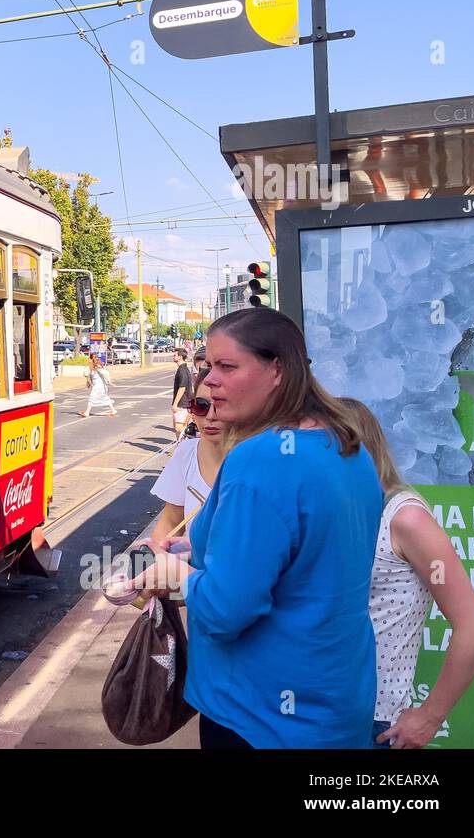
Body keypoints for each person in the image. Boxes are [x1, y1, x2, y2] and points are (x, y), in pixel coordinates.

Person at [132, 308, 383, 748]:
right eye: (208, 365)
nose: (208, 380)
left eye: (227, 366)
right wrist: (197, 549)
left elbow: (229, 611)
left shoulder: (258, 460)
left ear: (277, 371)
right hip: (336, 704)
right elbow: (305, 552)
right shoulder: (346, 446)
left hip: (258, 715)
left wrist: (173, 575)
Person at [339, 399, 474, 749]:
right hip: (315, 711)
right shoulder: (337, 511)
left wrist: (430, 716)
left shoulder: (404, 517)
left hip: (372, 721)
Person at [150, 370, 224, 543]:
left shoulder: (263, 460)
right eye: (201, 405)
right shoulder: (187, 452)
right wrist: (155, 557)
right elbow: (170, 522)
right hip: (191, 568)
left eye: (222, 405)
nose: (211, 416)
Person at [170, 348, 194, 438]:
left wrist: (175, 403)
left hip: (182, 403)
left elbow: (182, 387)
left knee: (180, 428)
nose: (173, 357)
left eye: (175, 355)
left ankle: (181, 447)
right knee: (178, 428)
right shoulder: (183, 369)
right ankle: (179, 446)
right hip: (184, 403)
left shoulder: (182, 370)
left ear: (180, 357)